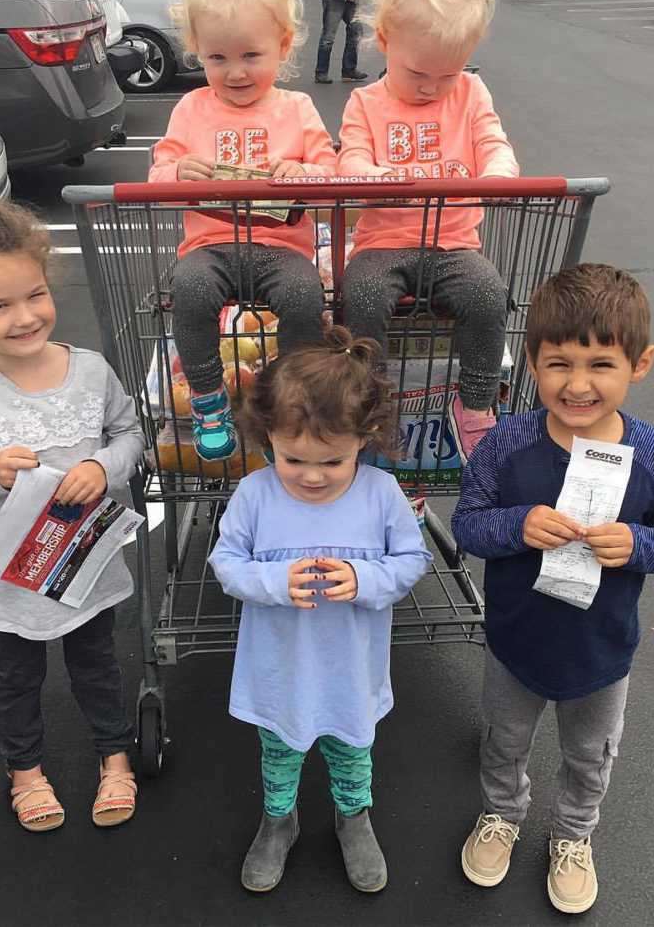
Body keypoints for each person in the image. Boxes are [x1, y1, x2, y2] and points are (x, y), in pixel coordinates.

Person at [451, 264, 654, 914]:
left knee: (589, 757)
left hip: (601, 653)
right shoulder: (506, 446)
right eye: (559, 362)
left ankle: (573, 834)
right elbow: (468, 525)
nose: (579, 383)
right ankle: (502, 814)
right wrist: (519, 524)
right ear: (531, 359)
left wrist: (637, 543)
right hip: (516, 643)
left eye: (601, 363)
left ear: (639, 364)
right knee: (503, 741)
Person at [0, 177, 145, 834]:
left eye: (35, 294)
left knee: (97, 661)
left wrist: (102, 465)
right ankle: (25, 770)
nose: (25, 316)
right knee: (17, 673)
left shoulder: (90, 369)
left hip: (82, 560)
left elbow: (129, 434)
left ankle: (114, 754)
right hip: (11, 570)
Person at [209, 327, 431, 893]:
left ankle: (353, 816)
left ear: (367, 438)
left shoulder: (380, 494)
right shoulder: (255, 495)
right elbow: (226, 563)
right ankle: (278, 819)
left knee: (352, 749)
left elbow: (411, 560)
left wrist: (363, 578)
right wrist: (273, 580)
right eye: (292, 458)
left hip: (349, 671)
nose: (311, 475)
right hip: (278, 669)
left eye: (332, 461)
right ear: (267, 438)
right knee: (279, 751)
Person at [149, 0, 336, 462]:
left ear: (283, 43)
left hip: (283, 248)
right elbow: (158, 177)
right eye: (217, 58)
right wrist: (176, 172)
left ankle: (291, 396)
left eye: (251, 56)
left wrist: (304, 171)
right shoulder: (191, 109)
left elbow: (332, 176)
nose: (235, 72)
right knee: (188, 288)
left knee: (303, 297)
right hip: (210, 246)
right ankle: (208, 398)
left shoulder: (296, 109)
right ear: (197, 50)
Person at [337, 0, 519, 460]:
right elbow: (350, 161)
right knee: (364, 296)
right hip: (384, 242)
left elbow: (491, 141)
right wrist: (378, 178)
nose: (433, 88)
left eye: (448, 74)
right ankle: (371, 400)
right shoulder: (365, 103)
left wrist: (500, 173)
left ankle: (477, 401)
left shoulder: (471, 94)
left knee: (489, 294)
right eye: (418, 74)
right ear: (384, 40)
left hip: (453, 243)